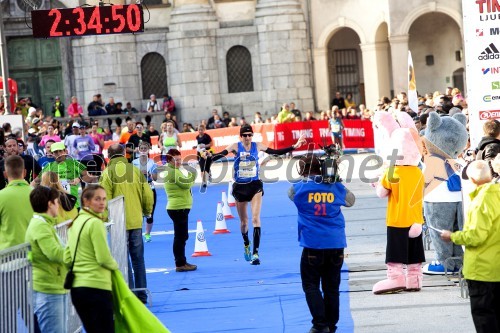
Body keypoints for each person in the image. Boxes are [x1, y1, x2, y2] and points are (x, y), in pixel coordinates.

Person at [210, 124, 306, 265]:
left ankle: (255, 253)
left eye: (250, 135)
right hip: (240, 187)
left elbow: (276, 152)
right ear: (240, 136)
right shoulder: (235, 147)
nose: (248, 138)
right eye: (245, 135)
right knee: (244, 222)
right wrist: (208, 157)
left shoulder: (258, 145)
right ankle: (246, 244)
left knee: (255, 219)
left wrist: (295, 146)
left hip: (255, 185)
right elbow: (221, 155)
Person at [288, 154, 355, 333]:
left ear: (303, 170)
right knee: (332, 287)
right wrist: (335, 180)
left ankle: (320, 324)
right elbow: (351, 201)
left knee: (310, 285)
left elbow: (291, 194)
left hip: (313, 244)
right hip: (335, 243)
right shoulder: (335, 186)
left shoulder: (300, 187)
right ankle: (331, 324)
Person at [440, 160, 500, 333]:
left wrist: (452, 236)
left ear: (472, 180)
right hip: (497, 267)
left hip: (482, 270)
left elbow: (476, 236)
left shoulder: (480, 201)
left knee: (484, 317)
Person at [100, 144, 153, 303]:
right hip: (135, 220)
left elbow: (104, 198)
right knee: (138, 259)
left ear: (109, 155)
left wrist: (104, 219)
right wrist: (146, 211)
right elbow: (148, 194)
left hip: (117, 222)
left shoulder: (107, 173)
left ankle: (130, 296)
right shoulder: (135, 171)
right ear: (124, 153)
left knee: (123, 261)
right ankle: (142, 294)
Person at [64, 185, 119, 333]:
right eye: (97, 199)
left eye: (104, 199)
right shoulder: (95, 223)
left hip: (78, 289)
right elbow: (103, 258)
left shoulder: (75, 222)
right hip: (97, 287)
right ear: (86, 201)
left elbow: (67, 257)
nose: (102, 203)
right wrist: (116, 267)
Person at [25, 186, 68, 333]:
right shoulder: (40, 226)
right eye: (57, 201)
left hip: (53, 286)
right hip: (48, 290)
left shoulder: (44, 224)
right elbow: (55, 253)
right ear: (50, 204)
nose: (59, 205)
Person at [33, 142, 96, 208]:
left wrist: (79, 179)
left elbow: (89, 176)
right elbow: (35, 182)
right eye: (56, 152)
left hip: (72, 204)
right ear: (52, 154)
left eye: (60, 151)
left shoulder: (73, 163)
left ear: (65, 152)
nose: (59, 154)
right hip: (55, 205)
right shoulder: (49, 166)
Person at [164, 148, 198, 272]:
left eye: (179, 159)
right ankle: (180, 263)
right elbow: (186, 184)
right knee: (180, 237)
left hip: (179, 207)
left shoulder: (174, 170)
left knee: (182, 236)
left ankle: (182, 261)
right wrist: (192, 172)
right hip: (178, 208)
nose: (178, 162)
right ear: (169, 160)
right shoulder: (172, 172)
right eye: (175, 160)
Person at [0, 156, 34, 251]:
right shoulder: (37, 194)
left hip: (8, 254)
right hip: (33, 251)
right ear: (24, 172)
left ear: (5, 174)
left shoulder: (1, 196)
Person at [132, 142, 159, 243]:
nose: (143, 150)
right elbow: (130, 178)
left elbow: (156, 178)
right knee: (138, 213)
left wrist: (149, 174)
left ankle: (147, 234)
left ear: (148, 150)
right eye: (141, 148)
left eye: (145, 148)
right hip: (138, 190)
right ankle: (138, 234)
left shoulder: (153, 163)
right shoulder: (134, 163)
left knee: (150, 213)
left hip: (150, 189)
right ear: (138, 150)